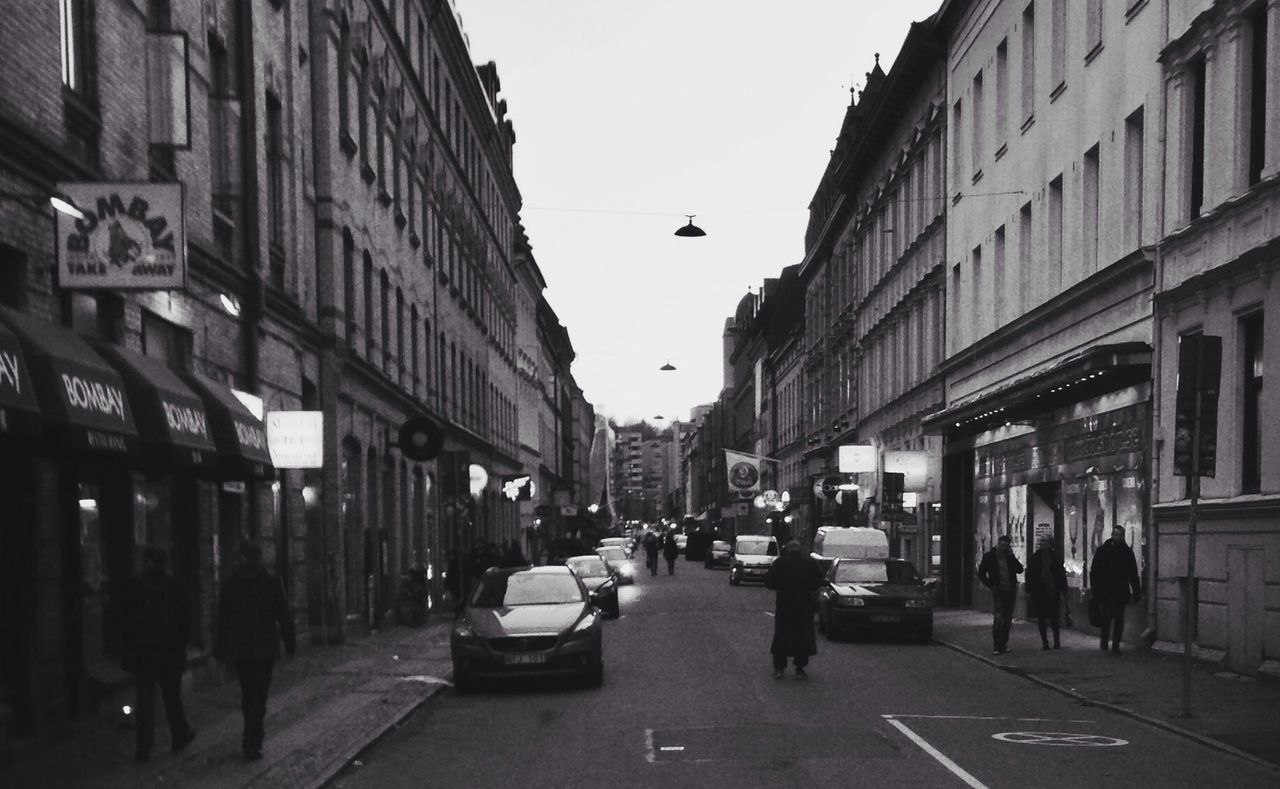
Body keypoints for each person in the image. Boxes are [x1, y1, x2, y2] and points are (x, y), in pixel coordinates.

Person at [215, 542, 296, 760]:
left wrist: (220, 651)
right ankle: (252, 741)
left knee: (248, 694)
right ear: (259, 559)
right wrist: (290, 644)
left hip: (241, 650)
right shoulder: (271, 583)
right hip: (264, 649)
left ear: (241, 558)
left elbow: (222, 620)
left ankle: (251, 739)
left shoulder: (230, 585)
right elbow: (284, 615)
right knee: (259, 696)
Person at [120, 546, 196, 762]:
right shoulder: (174, 585)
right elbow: (185, 619)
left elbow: (125, 620)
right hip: (169, 651)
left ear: (147, 562)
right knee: (172, 695)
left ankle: (143, 746)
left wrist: (128, 650)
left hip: (143, 653)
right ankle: (179, 735)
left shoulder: (134, 586)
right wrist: (181, 643)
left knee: (144, 699)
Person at [762, 540, 824, 679]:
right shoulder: (809, 563)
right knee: (803, 636)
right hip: (804, 605)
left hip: (785, 605)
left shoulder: (780, 563)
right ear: (799, 549)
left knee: (782, 635)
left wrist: (782, 587)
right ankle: (800, 668)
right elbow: (818, 581)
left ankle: (779, 668)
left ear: (788, 549)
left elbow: (769, 582)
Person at [1090, 525, 1141, 654]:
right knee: (1107, 617)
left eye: (1120, 535)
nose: (1118, 537)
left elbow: (1133, 573)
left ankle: (1116, 645)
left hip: (1119, 590)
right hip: (1106, 590)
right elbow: (1094, 571)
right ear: (1112, 535)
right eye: (1116, 534)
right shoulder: (1103, 551)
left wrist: (1136, 592)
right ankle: (1104, 639)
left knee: (1118, 619)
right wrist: (1096, 589)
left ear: (1123, 536)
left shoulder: (1127, 552)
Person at [977, 534, 1023, 655]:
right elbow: (981, 573)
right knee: (998, 618)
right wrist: (991, 585)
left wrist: (1012, 556)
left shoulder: (1009, 557)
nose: (1004, 548)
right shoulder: (990, 557)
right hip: (999, 590)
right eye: (1002, 545)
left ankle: (1004, 643)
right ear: (998, 544)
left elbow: (1020, 569)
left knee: (1007, 618)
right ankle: (997, 645)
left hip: (1010, 590)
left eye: (1006, 546)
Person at [1026, 535, 1067, 650]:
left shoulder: (1055, 557)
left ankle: (1057, 641)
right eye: (1041, 541)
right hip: (1039, 591)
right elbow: (1030, 575)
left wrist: (1064, 590)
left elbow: (1061, 575)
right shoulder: (1035, 558)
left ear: (1050, 544)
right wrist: (1029, 590)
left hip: (1053, 591)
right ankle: (1045, 642)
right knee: (1041, 618)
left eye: (1045, 541)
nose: (1043, 544)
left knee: (1054, 618)